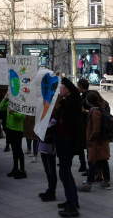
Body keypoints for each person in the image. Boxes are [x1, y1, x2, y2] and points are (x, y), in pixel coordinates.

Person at [55, 78, 83, 218]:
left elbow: (67, 124)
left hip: (67, 143)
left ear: (67, 89)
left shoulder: (71, 103)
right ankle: (71, 201)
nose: (59, 90)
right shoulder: (69, 101)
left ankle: (72, 207)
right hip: (65, 142)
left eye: (61, 88)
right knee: (64, 172)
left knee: (65, 173)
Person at [79, 90, 111, 192]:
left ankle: (89, 184)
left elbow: (96, 129)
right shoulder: (100, 108)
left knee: (92, 161)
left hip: (96, 142)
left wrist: (90, 139)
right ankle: (105, 181)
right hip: (101, 141)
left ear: (89, 101)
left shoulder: (95, 112)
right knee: (102, 161)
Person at [0, 95, 26, 179]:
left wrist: (13, 112)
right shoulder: (10, 101)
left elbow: (23, 116)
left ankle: (22, 170)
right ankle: (15, 168)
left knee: (19, 150)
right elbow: (0, 107)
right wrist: (5, 98)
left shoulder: (22, 100)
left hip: (18, 130)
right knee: (14, 150)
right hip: (9, 128)